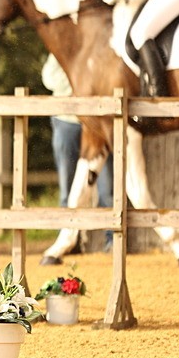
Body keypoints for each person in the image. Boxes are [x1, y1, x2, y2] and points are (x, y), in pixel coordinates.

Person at [42, 54, 112, 251]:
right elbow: (48, 77)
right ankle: (69, 241)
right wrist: (80, 87)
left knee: (109, 187)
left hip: (98, 125)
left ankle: (113, 240)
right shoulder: (63, 49)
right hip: (68, 121)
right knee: (68, 185)